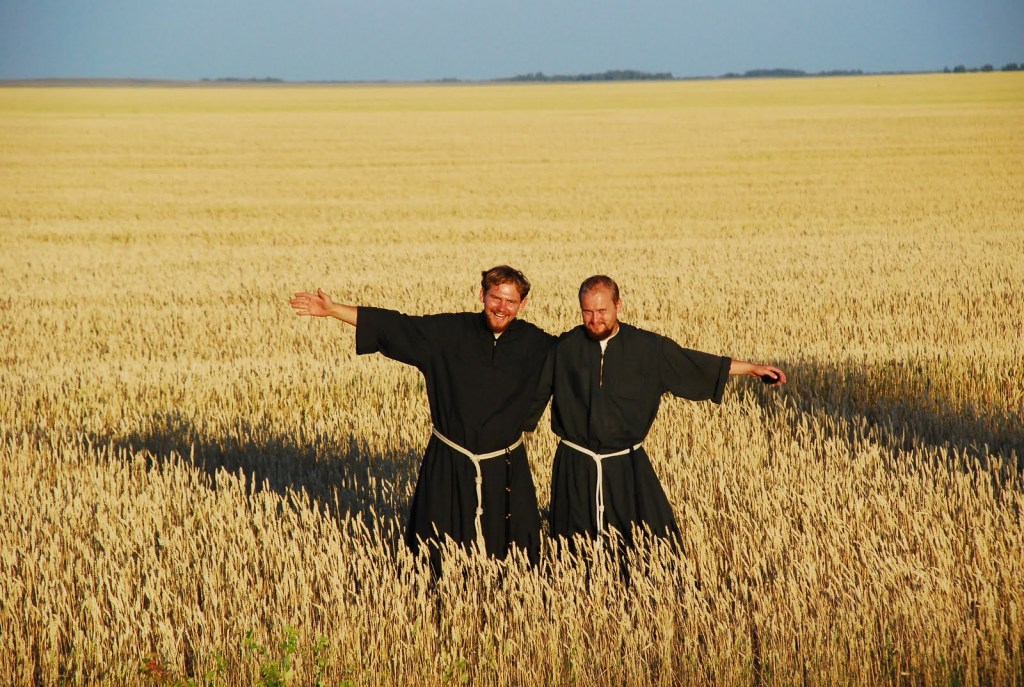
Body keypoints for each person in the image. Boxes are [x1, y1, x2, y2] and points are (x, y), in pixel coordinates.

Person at [290, 266, 555, 574]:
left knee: (515, 555)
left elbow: (580, 356)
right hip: (448, 458)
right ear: (482, 295)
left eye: (511, 301)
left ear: (522, 304)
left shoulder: (538, 344)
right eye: (495, 298)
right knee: (434, 554)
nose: (501, 308)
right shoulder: (448, 333)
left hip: (506, 464)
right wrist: (334, 309)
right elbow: (395, 327)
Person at [545, 274, 786, 552]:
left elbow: (694, 364)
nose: (595, 319)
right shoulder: (565, 347)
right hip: (576, 465)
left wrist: (753, 369)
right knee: (571, 549)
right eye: (587, 311)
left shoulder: (648, 348)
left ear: (618, 306)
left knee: (652, 546)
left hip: (627, 465)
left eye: (602, 311)